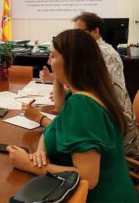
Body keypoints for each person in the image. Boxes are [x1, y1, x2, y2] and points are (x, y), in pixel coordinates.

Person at [7, 29, 138, 202]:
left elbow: (88, 178)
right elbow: (54, 125)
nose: (48, 61)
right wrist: (41, 150)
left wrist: (28, 164)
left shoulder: (83, 107)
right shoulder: (86, 92)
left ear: (72, 62)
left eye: (53, 56)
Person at [37, 12, 139, 158]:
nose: (77, 38)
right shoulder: (85, 84)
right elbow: (60, 109)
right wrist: (57, 75)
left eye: (80, 33)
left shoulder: (101, 53)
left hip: (120, 141)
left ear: (96, 31)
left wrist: (39, 119)